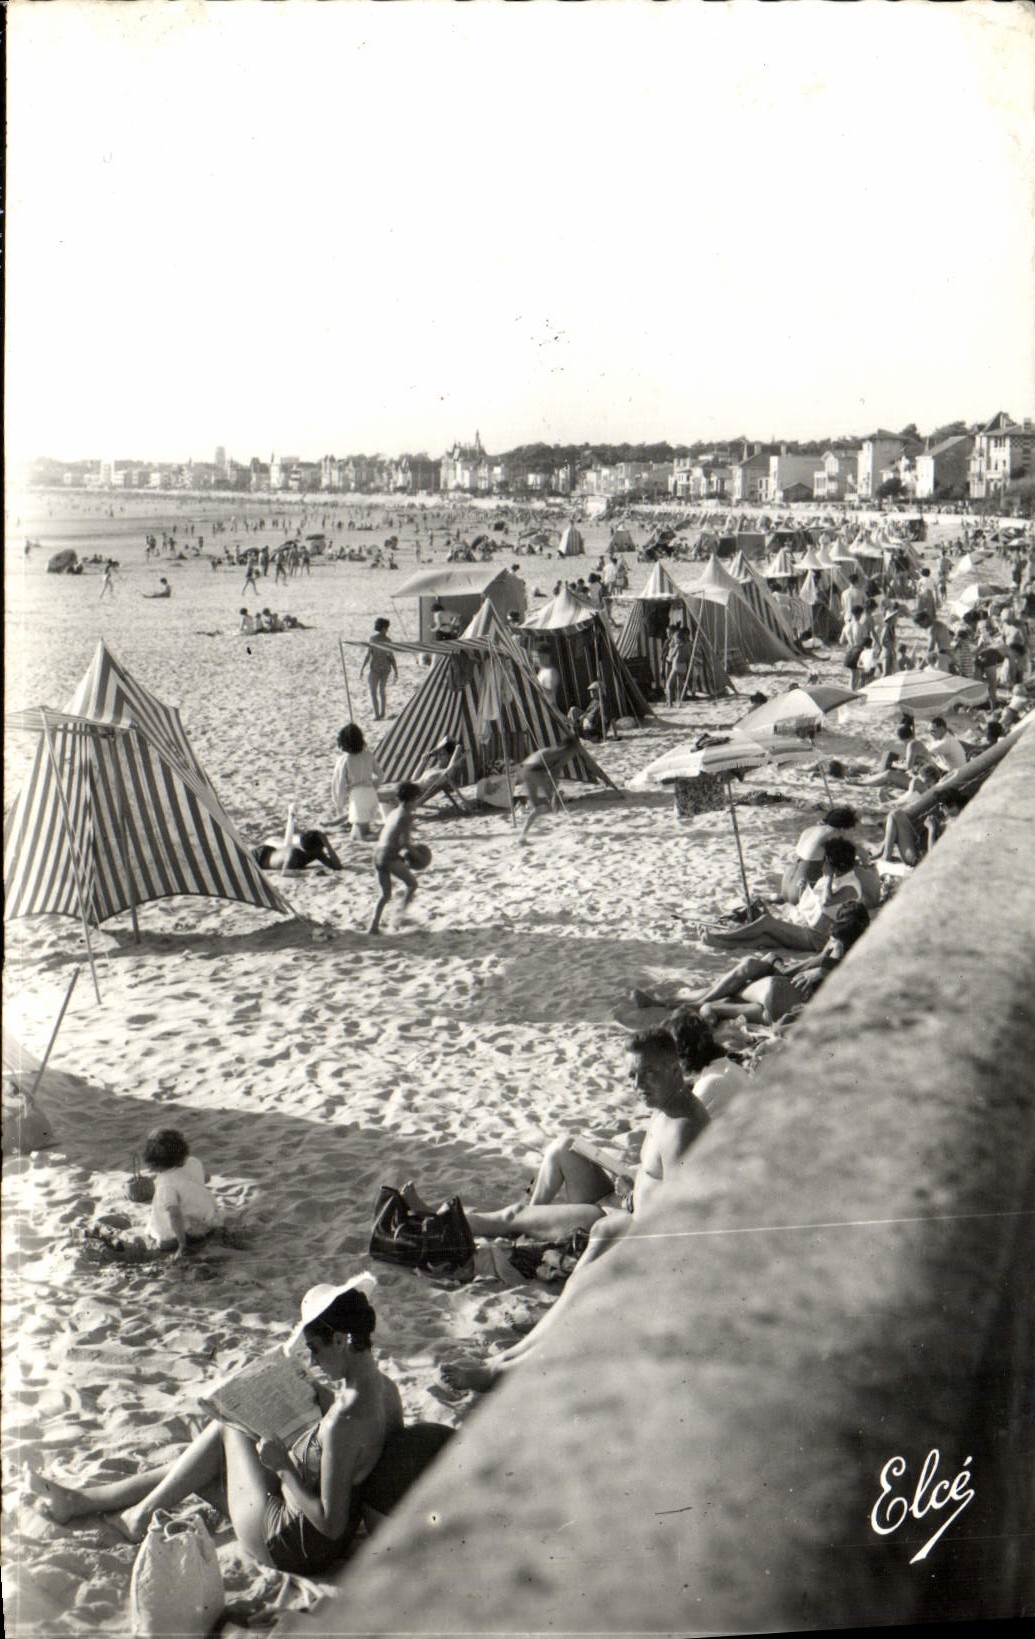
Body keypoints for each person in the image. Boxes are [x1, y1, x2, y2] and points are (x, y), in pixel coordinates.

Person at [27, 1278, 409, 1573]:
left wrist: (284, 1469)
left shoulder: (343, 1422)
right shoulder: (386, 1391)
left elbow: (329, 1522)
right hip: (323, 1537)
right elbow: (369, 1471)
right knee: (204, 1465)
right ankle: (89, 1501)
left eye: (314, 1349)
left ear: (340, 1340)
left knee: (229, 1428)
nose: (311, 1360)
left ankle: (133, 1515)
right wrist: (316, 1403)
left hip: (292, 1543)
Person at [438, 1014, 736, 1393]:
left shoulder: (684, 1126)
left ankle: (506, 1369)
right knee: (587, 1264)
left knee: (586, 1284)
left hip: (661, 1248)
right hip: (633, 1223)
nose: (637, 1085)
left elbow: (683, 1219)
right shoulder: (668, 1108)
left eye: (648, 1074)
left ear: (675, 1069)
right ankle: (506, 1359)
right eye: (632, 1076)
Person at [626, 901, 872, 1030]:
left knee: (741, 974)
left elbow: (793, 971)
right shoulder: (852, 959)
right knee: (727, 1000)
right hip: (782, 1008)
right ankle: (686, 1005)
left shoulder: (834, 952)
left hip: (781, 989)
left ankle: (669, 1003)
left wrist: (775, 960)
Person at [703, 836, 867, 952]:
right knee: (765, 938)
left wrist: (829, 876)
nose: (822, 864)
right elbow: (810, 905)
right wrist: (804, 890)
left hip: (821, 937)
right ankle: (725, 944)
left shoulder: (851, 887)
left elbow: (827, 901)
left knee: (766, 922)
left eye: (825, 861)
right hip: (806, 924)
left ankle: (723, 938)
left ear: (834, 864)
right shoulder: (831, 878)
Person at [143, 1126, 224, 1256]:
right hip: (206, 1222)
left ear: (154, 1163)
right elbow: (206, 1178)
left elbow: (175, 1215)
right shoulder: (193, 1162)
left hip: (181, 1233)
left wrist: (182, 1245)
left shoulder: (166, 1183)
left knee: (157, 1235)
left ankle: (180, 1242)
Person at [779, 806, 865, 904]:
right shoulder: (836, 833)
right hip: (801, 893)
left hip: (786, 886)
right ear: (844, 827)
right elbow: (864, 855)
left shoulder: (810, 829)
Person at [368, 782, 422, 935]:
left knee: (385, 895)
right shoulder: (406, 815)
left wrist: (401, 855)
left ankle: (373, 926)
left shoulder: (393, 812)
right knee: (412, 884)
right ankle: (399, 916)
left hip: (378, 854)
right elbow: (405, 843)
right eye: (417, 799)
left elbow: (389, 837)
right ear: (412, 799)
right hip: (389, 857)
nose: (417, 802)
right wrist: (419, 857)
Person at [518, 734, 582, 844]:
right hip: (536, 771)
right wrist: (553, 792)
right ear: (572, 747)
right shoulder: (565, 753)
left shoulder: (551, 750)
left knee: (538, 807)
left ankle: (522, 837)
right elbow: (554, 772)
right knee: (550, 802)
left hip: (524, 770)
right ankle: (571, 830)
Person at [331, 724, 384, 840]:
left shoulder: (344, 759)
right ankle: (380, 833)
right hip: (370, 793)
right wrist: (374, 786)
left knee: (360, 836)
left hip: (357, 796)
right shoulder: (368, 755)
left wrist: (339, 803)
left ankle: (384, 835)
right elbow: (380, 775)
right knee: (357, 832)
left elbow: (339, 783)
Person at [414, 738, 473, 813]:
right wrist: (422, 762)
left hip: (411, 795)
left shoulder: (444, 773)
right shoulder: (434, 769)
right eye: (438, 753)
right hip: (408, 788)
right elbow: (414, 779)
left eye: (442, 753)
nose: (439, 756)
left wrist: (457, 750)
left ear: (450, 756)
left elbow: (450, 769)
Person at [360, 618, 399, 721]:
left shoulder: (373, 639)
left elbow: (368, 655)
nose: (387, 630)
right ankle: (382, 713)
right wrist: (395, 670)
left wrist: (362, 668)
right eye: (386, 628)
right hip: (385, 667)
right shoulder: (388, 640)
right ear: (383, 628)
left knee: (373, 691)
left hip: (375, 667)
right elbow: (391, 657)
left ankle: (377, 715)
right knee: (382, 690)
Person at [255, 830, 343, 872]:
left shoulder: (316, 853)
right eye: (323, 845)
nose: (323, 848)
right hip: (259, 857)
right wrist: (311, 874)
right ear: (316, 848)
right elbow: (286, 872)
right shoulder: (294, 854)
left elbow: (337, 866)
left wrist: (328, 845)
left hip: (270, 852)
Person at [664, 624, 693, 706]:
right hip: (683, 667)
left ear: (678, 639)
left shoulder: (678, 646)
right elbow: (688, 657)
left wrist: (668, 657)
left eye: (675, 638)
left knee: (669, 684)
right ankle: (679, 701)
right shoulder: (687, 646)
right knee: (679, 685)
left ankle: (670, 703)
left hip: (676, 666)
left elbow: (671, 656)